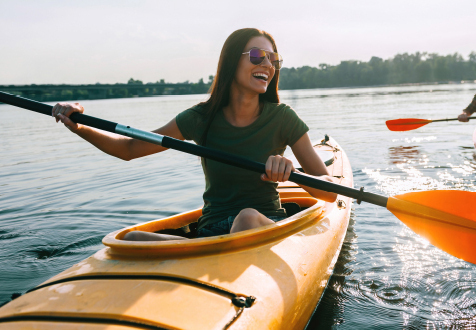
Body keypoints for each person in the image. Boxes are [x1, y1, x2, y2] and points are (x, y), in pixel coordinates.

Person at [51, 28, 337, 241]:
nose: (268, 64)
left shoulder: (283, 118)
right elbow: (128, 148)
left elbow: (328, 191)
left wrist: (291, 172)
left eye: (273, 58)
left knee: (246, 217)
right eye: (257, 55)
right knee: (129, 238)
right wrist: (79, 125)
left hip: (262, 224)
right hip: (210, 232)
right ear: (230, 61)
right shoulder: (200, 118)